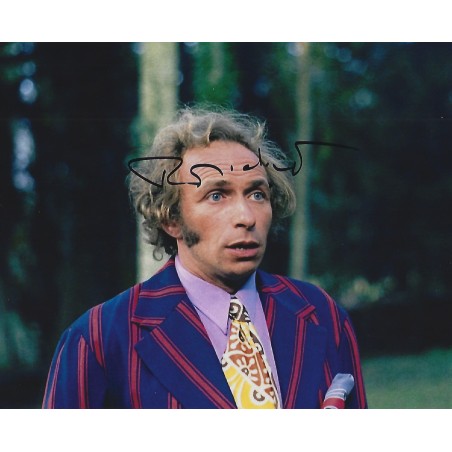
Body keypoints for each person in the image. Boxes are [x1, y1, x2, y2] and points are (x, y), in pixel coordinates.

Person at [42, 106, 367, 409]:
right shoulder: (99, 338)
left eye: (257, 194)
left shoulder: (321, 313)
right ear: (171, 218)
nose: (246, 217)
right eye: (216, 195)